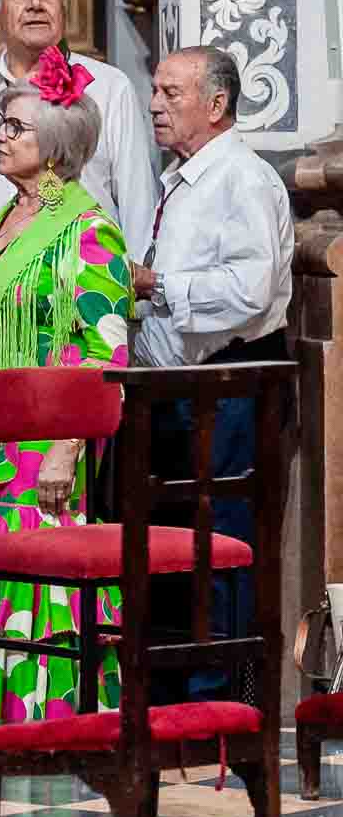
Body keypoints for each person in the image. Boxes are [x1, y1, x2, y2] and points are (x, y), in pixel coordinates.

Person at [0, 46, 135, 725]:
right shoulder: (13, 214)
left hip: (40, 452)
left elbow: (104, 352)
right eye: (1, 122)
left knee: (39, 586)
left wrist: (66, 448)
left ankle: (48, 724)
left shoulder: (87, 228)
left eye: (15, 126)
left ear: (52, 144)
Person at [132, 45, 293, 701]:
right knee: (179, 542)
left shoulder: (244, 180)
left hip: (228, 389)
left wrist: (160, 285)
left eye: (171, 92)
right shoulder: (183, 177)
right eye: (157, 90)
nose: (155, 104)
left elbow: (251, 290)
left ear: (216, 103)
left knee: (224, 542)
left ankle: (229, 696)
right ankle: (179, 687)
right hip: (178, 392)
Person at [0, 0, 156, 259]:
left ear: (63, 10)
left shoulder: (109, 87)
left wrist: (136, 291)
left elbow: (138, 203)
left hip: (80, 282)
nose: (35, 4)